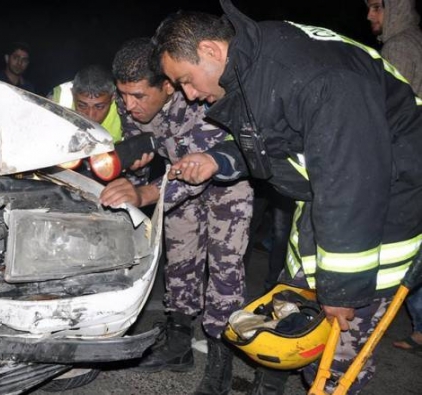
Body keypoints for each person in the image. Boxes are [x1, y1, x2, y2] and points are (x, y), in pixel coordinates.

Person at [153, 1, 422, 394]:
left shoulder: (317, 78)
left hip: (381, 216)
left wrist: (343, 288)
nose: (189, 95)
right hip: (326, 208)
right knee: (291, 329)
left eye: (186, 80)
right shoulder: (255, 63)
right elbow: (272, 138)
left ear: (211, 50)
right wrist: (217, 158)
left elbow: (353, 180)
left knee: (334, 363)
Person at [99, 37, 253, 395]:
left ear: (167, 86)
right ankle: (179, 346)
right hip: (173, 179)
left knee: (224, 271)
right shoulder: (130, 102)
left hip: (224, 182)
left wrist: (144, 192)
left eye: (138, 96)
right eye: (123, 95)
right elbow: (145, 152)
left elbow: (191, 173)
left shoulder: (199, 101)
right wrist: (132, 176)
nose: (128, 105)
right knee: (180, 262)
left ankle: (221, 360)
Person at [366, 0, 422, 353]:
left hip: (405, 162)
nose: (370, 16)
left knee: (401, 248)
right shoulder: (416, 39)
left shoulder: (399, 46)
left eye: (376, 7)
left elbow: (387, 110)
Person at [49, 65, 122, 142]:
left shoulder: (126, 106)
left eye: (99, 107)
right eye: (82, 106)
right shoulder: (55, 101)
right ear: (73, 94)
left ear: (113, 97)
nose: (90, 115)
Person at [367, 0, 422, 96]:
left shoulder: (397, 47)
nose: (369, 16)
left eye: (376, 8)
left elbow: (393, 101)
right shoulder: (415, 36)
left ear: (395, 9)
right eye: (369, 8)